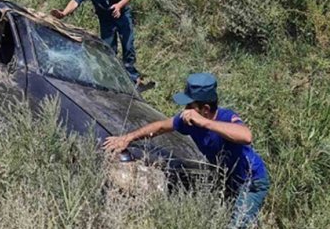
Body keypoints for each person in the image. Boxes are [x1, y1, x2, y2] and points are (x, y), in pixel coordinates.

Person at [104, 73, 270, 228]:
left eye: (190, 105)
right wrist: (127, 138)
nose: (185, 109)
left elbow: (246, 136)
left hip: (251, 182)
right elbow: (160, 127)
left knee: (237, 224)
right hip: (228, 179)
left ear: (205, 109)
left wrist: (205, 123)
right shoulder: (188, 120)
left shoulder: (225, 118)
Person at [50, 0, 147, 88]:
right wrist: (64, 12)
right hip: (105, 19)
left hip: (121, 13)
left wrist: (119, 6)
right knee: (109, 51)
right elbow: (75, 0)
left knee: (128, 45)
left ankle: (133, 78)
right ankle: (116, 81)